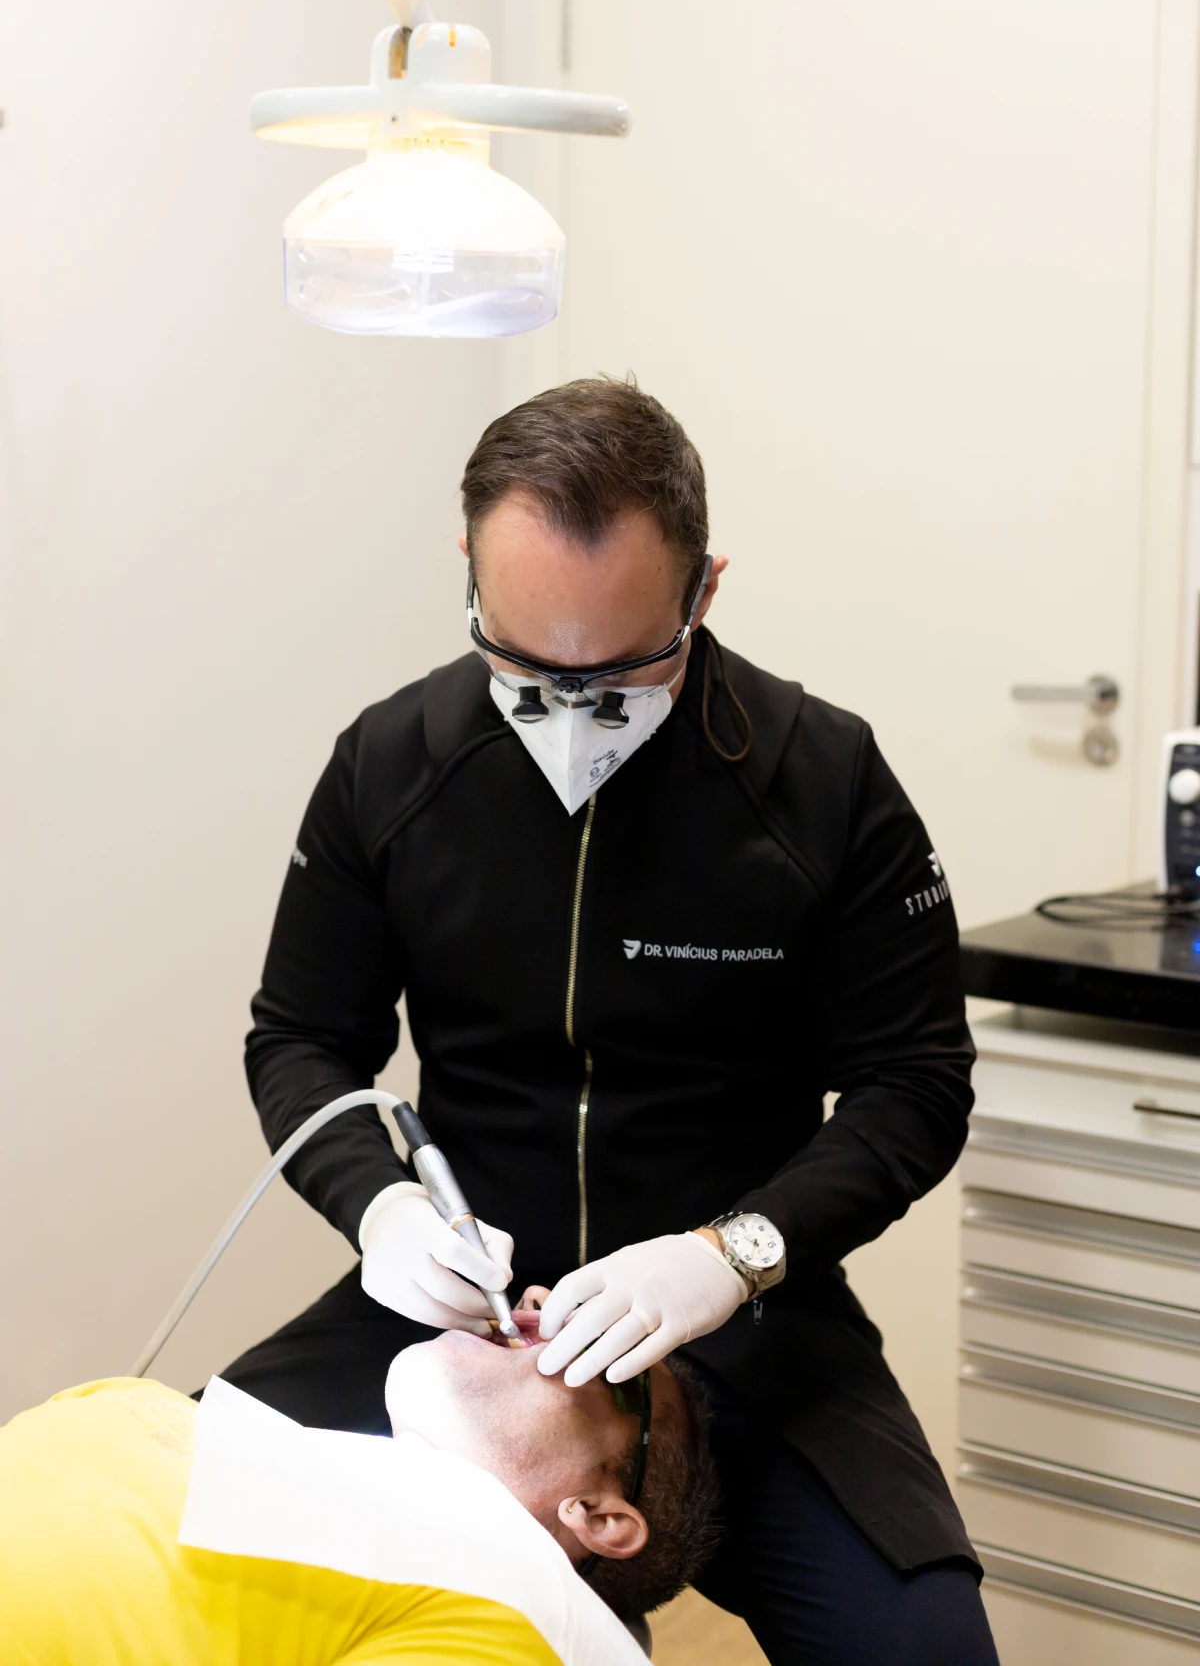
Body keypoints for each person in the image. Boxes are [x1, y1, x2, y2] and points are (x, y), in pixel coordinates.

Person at [222, 376, 999, 1664]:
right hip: (469, 1317)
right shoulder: (391, 764)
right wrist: (383, 1211)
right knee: (180, 1515)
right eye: (526, 664)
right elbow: (300, 1039)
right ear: (470, 575)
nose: (572, 708)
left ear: (704, 590)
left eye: (624, 668)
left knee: (922, 1647)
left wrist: (733, 1255)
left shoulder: (824, 782)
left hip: (748, 1318)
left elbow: (916, 1084)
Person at [0, 1309, 717, 1663]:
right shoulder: (252, 1447)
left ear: (598, 1516)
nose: (538, 1310)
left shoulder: (522, 1610)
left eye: (602, 1351)